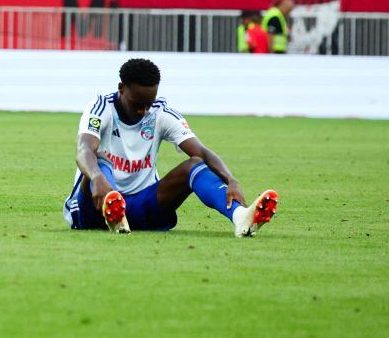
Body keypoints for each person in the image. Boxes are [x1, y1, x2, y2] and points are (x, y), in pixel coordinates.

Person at [64, 58, 279, 236]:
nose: (143, 111)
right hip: (94, 206)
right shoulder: (101, 108)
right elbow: (83, 150)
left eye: (148, 104)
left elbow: (202, 152)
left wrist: (231, 180)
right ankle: (113, 209)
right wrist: (97, 178)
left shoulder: (160, 113)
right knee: (98, 157)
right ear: (121, 88)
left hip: (140, 207)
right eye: (137, 104)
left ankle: (241, 217)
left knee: (195, 163)